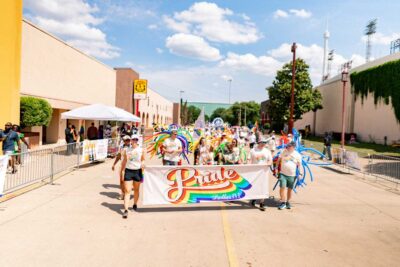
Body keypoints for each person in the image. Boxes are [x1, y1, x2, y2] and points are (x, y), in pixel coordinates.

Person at [120, 135, 145, 219]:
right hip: (129, 171)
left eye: (136, 139)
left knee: (136, 190)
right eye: (133, 139)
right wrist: (122, 171)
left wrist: (143, 163)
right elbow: (124, 161)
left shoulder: (141, 150)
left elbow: (143, 159)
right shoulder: (126, 150)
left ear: (137, 140)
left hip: (137, 171)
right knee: (127, 191)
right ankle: (126, 210)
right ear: (130, 140)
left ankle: (134, 204)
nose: (134, 141)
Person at [276, 141, 302, 210]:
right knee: (282, 187)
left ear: (293, 147)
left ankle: (288, 202)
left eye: (289, 146)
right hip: (283, 173)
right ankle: (283, 202)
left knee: (290, 189)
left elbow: (299, 165)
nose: (287, 147)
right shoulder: (283, 152)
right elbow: (278, 160)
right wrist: (276, 168)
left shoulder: (297, 155)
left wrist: (299, 174)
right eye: (287, 146)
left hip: (292, 175)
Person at [249, 138, 273, 211]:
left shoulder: (267, 151)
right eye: (262, 142)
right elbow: (249, 159)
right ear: (258, 142)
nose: (263, 144)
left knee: (263, 186)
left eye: (265, 142)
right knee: (254, 186)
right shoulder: (253, 150)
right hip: (254, 171)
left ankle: (262, 203)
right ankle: (254, 198)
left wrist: (268, 164)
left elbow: (270, 160)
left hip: (263, 172)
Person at [112, 135, 132, 200]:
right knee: (122, 181)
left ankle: (127, 193)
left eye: (128, 140)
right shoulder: (121, 147)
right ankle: (123, 193)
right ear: (124, 141)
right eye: (126, 140)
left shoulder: (132, 147)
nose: (128, 141)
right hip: (122, 166)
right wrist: (114, 164)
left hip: (130, 166)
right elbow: (118, 156)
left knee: (128, 181)